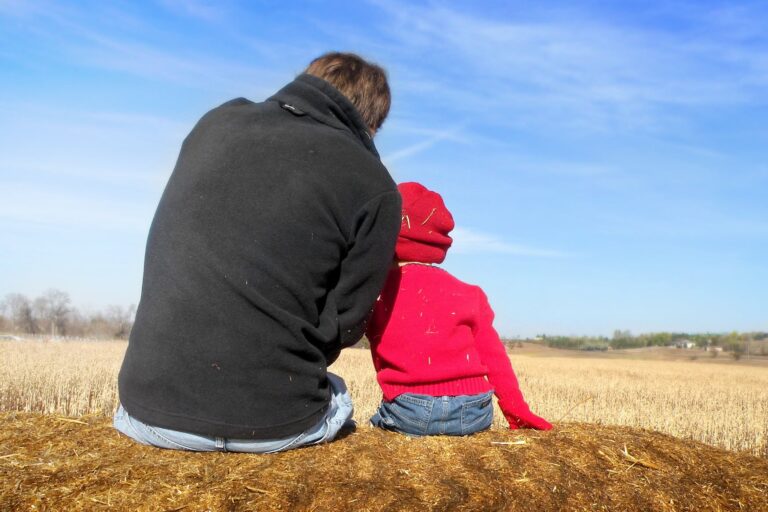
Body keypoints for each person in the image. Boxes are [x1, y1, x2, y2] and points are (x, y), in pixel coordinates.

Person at [114, 52, 402, 453]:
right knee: (338, 394)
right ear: (370, 124)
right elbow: (346, 323)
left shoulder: (215, 122)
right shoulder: (376, 185)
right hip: (274, 424)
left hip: (144, 412)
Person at [366, 182, 552, 436]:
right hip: (475, 409)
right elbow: (494, 358)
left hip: (411, 409)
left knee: (370, 426)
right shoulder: (470, 293)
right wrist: (517, 410)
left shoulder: (378, 293)